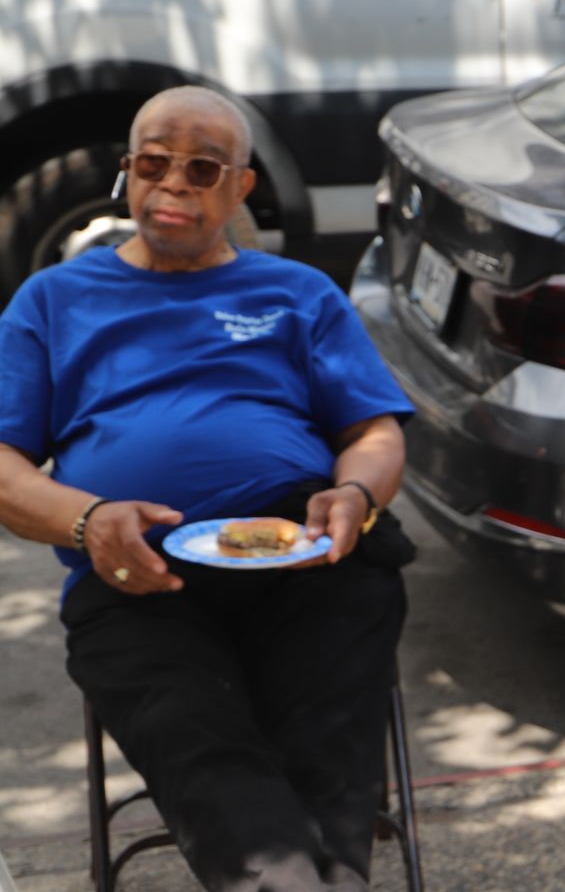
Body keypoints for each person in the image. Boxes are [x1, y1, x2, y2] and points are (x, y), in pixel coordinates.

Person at [0, 87, 415, 892]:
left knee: (325, 741)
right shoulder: (53, 300)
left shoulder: (298, 293)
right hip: (133, 570)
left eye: (202, 169)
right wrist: (87, 520)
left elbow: (374, 432)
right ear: (128, 172)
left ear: (240, 188)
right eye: (154, 163)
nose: (173, 183)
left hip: (302, 555)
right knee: (197, 739)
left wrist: (357, 497)